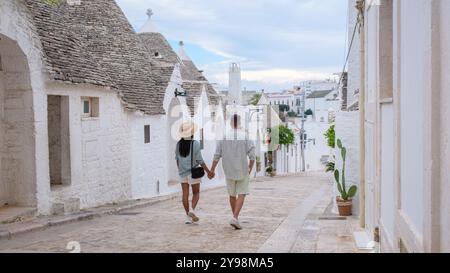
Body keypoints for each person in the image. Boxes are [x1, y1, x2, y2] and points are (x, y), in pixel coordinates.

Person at [209, 114, 256, 230]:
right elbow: (252, 156)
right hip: (242, 169)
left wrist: (212, 170)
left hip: (228, 170)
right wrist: (249, 169)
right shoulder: (246, 136)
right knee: (242, 193)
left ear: (230, 123)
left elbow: (217, 155)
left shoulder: (224, 137)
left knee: (232, 194)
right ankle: (235, 217)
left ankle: (235, 218)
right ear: (239, 123)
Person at [175, 121, 213, 224]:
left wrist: (181, 170)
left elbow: (177, 160)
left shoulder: (178, 144)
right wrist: (208, 171)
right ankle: (192, 210)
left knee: (185, 195)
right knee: (196, 193)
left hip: (182, 173)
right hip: (193, 173)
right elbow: (200, 160)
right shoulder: (195, 143)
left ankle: (188, 217)